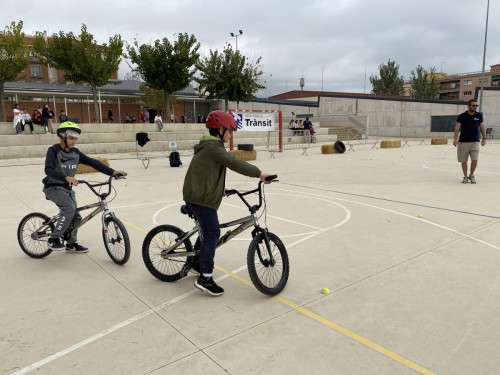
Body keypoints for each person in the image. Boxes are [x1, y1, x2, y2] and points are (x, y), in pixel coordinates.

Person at [183, 110, 274, 296]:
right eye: (230, 131)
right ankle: (205, 278)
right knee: (213, 233)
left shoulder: (210, 147)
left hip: (198, 193)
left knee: (205, 231)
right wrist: (259, 173)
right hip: (199, 198)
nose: (231, 135)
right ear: (220, 129)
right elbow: (233, 162)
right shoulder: (213, 148)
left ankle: (195, 263)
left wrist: (219, 188)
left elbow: (206, 172)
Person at [42, 122, 127, 252]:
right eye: (71, 138)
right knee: (69, 209)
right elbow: (48, 170)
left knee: (76, 216)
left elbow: (93, 162)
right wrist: (66, 177)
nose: (73, 141)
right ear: (61, 137)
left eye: (75, 139)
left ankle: (71, 244)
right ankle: (53, 239)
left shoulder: (75, 153)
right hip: (53, 187)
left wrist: (112, 172)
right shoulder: (53, 151)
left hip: (67, 189)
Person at [453, 99, 486, 184]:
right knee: (464, 161)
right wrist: (456, 139)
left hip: (475, 141)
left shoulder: (479, 115)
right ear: (468, 106)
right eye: (473, 105)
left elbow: (482, 127)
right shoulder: (462, 116)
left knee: (474, 160)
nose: (475, 107)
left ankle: (471, 175)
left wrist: (484, 138)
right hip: (463, 142)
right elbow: (457, 128)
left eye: (476, 106)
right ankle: (465, 176)